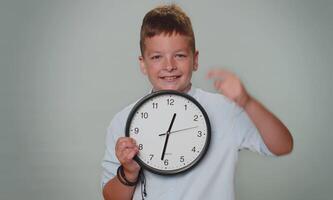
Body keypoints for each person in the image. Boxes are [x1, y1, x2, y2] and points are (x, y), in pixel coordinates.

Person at [101, 4, 293, 200]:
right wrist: (129, 172)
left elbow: (283, 146)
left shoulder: (225, 110)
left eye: (180, 56)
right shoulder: (124, 121)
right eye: (157, 57)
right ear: (143, 64)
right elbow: (111, 197)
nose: (169, 66)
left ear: (195, 60)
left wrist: (247, 102)